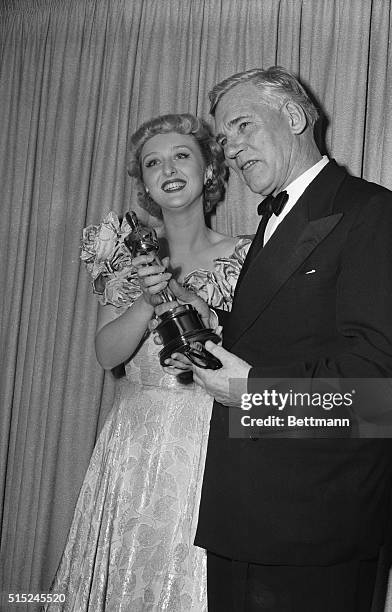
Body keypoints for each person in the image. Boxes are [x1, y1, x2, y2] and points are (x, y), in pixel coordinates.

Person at [164, 67, 392, 611]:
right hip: (246, 511)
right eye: (224, 139)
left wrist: (254, 390)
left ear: (295, 117)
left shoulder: (372, 212)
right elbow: (279, 339)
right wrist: (206, 342)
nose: (230, 150)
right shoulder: (272, 222)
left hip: (314, 520)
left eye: (241, 126)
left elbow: (387, 382)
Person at [47, 113, 250, 611]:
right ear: (145, 185)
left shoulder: (247, 256)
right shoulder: (124, 257)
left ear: (208, 171)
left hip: (206, 434)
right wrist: (147, 296)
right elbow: (106, 354)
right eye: (153, 162)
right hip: (133, 435)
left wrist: (181, 296)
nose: (169, 168)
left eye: (183, 155)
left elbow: (242, 354)